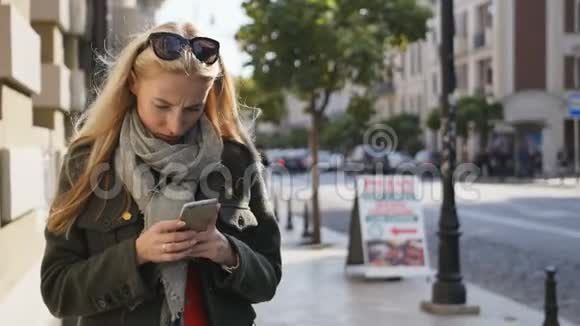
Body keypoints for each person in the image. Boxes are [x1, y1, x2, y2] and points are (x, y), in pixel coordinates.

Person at [40, 22, 281, 326]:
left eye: (193, 108)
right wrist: (136, 254)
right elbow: (57, 291)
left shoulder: (236, 160)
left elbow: (269, 277)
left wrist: (228, 252)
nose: (175, 124)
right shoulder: (87, 161)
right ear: (132, 84)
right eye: (162, 105)